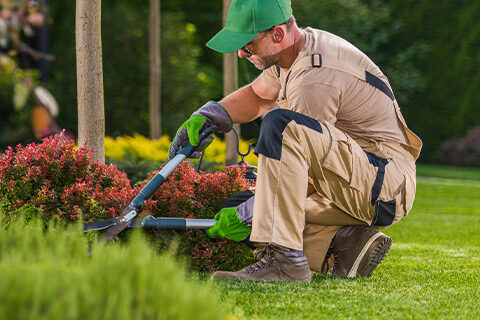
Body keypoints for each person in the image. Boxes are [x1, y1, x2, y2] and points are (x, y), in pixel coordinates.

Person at [169, 0, 422, 282]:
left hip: (383, 183)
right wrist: (211, 116)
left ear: (277, 34)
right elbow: (258, 96)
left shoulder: (312, 78)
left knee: (280, 129)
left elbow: (306, 174)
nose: (241, 53)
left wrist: (252, 214)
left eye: (248, 45)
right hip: (354, 178)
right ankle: (347, 244)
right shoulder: (291, 53)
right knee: (242, 204)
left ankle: (285, 262)